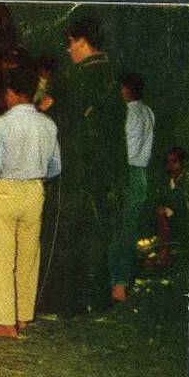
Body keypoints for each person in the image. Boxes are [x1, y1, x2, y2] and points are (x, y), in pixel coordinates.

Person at [39, 16, 128, 317]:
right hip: (105, 172)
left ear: (82, 42)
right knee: (97, 234)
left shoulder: (74, 78)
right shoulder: (113, 77)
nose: (68, 51)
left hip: (74, 170)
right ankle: (97, 300)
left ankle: (63, 303)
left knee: (65, 236)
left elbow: (46, 113)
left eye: (70, 43)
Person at [0, 68, 61, 338]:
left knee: (0, 256)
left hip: (6, 191)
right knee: (29, 255)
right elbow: (55, 167)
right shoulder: (48, 124)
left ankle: (4, 320)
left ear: (12, 93)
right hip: (35, 192)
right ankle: (23, 315)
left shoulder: (1, 124)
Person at [109, 73, 155, 301]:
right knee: (129, 230)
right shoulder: (148, 112)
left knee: (118, 231)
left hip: (126, 173)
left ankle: (116, 283)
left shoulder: (127, 112)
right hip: (140, 175)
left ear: (126, 90)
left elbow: (122, 147)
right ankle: (121, 283)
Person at [147, 146, 189, 268]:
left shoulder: (188, 180)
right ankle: (162, 252)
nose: (171, 166)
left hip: (185, 218)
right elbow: (160, 200)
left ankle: (164, 253)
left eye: (175, 162)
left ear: (183, 162)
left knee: (163, 213)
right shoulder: (166, 181)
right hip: (170, 220)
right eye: (168, 163)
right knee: (160, 212)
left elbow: (186, 204)